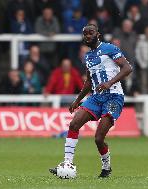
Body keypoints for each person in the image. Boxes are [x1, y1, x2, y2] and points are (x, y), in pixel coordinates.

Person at [49, 24, 132, 178]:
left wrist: (109, 83)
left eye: (90, 33)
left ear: (98, 34)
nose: (87, 36)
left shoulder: (110, 49)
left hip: (113, 96)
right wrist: (77, 100)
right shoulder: (87, 56)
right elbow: (89, 82)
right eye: (85, 34)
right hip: (96, 97)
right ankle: (67, 163)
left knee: (99, 138)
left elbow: (127, 68)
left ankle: (106, 167)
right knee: (74, 124)